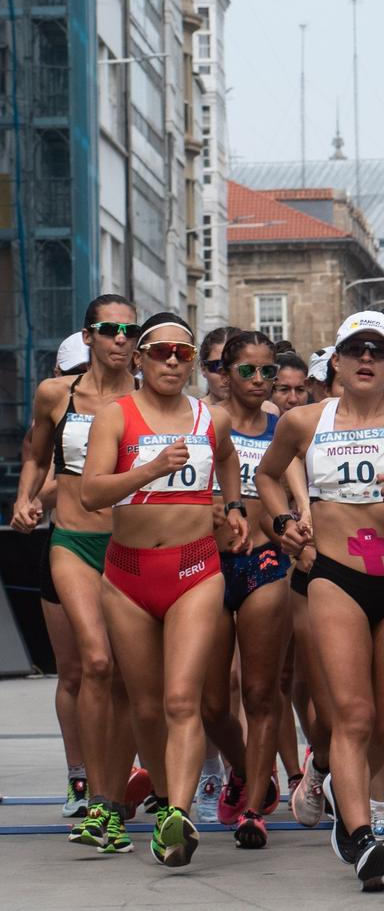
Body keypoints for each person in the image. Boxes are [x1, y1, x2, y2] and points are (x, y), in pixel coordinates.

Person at [257, 311, 384, 890]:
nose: (366, 359)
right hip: (334, 576)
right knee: (351, 715)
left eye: (379, 351)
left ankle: (336, 784)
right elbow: (266, 474)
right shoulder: (305, 420)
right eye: (356, 349)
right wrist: (283, 520)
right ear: (337, 359)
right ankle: (358, 835)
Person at [80, 313, 249, 867]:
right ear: (140, 358)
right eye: (160, 352)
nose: (172, 362)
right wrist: (149, 468)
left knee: (182, 699)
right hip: (127, 575)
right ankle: (145, 798)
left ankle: (176, 815)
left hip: (194, 569)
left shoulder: (210, 415)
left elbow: (226, 457)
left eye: (183, 353)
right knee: (145, 705)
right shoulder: (115, 416)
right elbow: (91, 494)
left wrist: (234, 505)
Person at [12, 296, 138, 852]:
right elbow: (37, 454)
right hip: (71, 540)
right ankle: (87, 788)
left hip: (132, 544)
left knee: (131, 682)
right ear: (88, 337)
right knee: (95, 661)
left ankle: (114, 799)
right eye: (109, 329)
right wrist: (24, 499)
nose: (120, 338)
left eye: (129, 330)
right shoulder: (54, 393)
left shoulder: (149, 396)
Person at [213, 330, 296, 848]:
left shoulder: (283, 427)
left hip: (266, 563)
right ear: (225, 373)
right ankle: (249, 771)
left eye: (269, 371)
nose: (261, 380)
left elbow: (298, 490)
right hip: (206, 564)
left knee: (262, 692)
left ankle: (252, 812)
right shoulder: (203, 421)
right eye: (249, 371)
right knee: (209, 705)